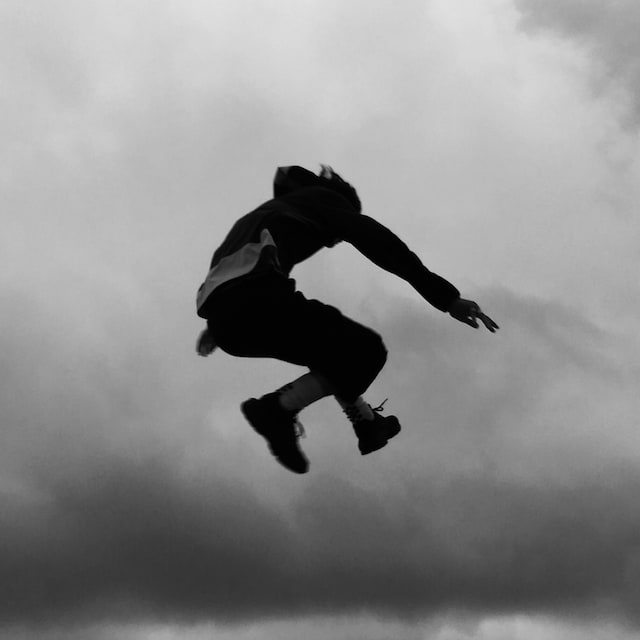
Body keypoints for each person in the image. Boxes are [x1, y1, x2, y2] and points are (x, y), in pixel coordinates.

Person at [195, 165, 498, 474]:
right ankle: (275, 409)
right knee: (367, 351)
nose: (331, 243)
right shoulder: (325, 201)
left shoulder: (264, 217)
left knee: (335, 354)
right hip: (257, 298)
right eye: (337, 239)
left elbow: (231, 272)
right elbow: (382, 244)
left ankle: (366, 423)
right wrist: (446, 298)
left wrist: (216, 326)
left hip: (226, 321)